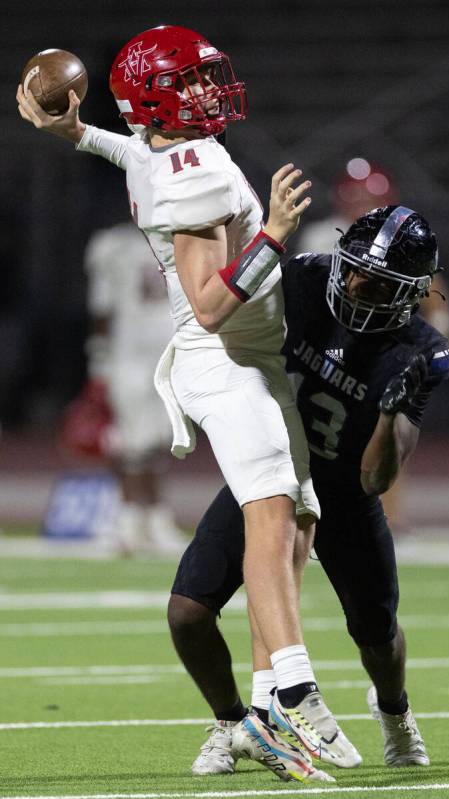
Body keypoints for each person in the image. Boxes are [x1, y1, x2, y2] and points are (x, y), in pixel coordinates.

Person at [17, 24, 357, 783]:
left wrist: (73, 130)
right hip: (227, 357)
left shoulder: (156, 147)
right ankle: (296, 687)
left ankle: (266, 706)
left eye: (206, 76)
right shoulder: (195, 172)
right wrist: (270, 234)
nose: (207, 90)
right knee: (270, 520)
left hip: (247, 361)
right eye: (189, 82)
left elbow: (132, 151)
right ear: (155, 99)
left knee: (296, 522)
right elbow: (208, 304)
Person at [166, 206, 449, 775]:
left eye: (375, 282)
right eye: (353, 270)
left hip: (347, 491)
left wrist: (391, 413)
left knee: (377, 635)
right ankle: (231, 722)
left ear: (409, 293)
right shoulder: (302, 281)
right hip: (273, 475)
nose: (353, 284)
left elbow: (377, 479)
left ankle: (394, 712)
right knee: (187, 613)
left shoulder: (421, 352)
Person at [298, 160, 449, 527]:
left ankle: (388, 519)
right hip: (331, 349)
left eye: (368, 196)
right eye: (354, 195)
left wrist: (434, 346)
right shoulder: (322, 236)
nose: (360, 203)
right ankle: (315, 512)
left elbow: (436, 298)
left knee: (390, 432)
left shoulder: (405, 242)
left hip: (382, 352)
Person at [63, 220, 190, 554]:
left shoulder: (181, 236)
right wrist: (100, 363)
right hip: (129, 355)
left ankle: (155, 519)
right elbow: (102, 308)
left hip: (168, 354)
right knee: (132, 442)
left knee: (160, 442)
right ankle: (129, 518)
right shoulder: (115, 244)